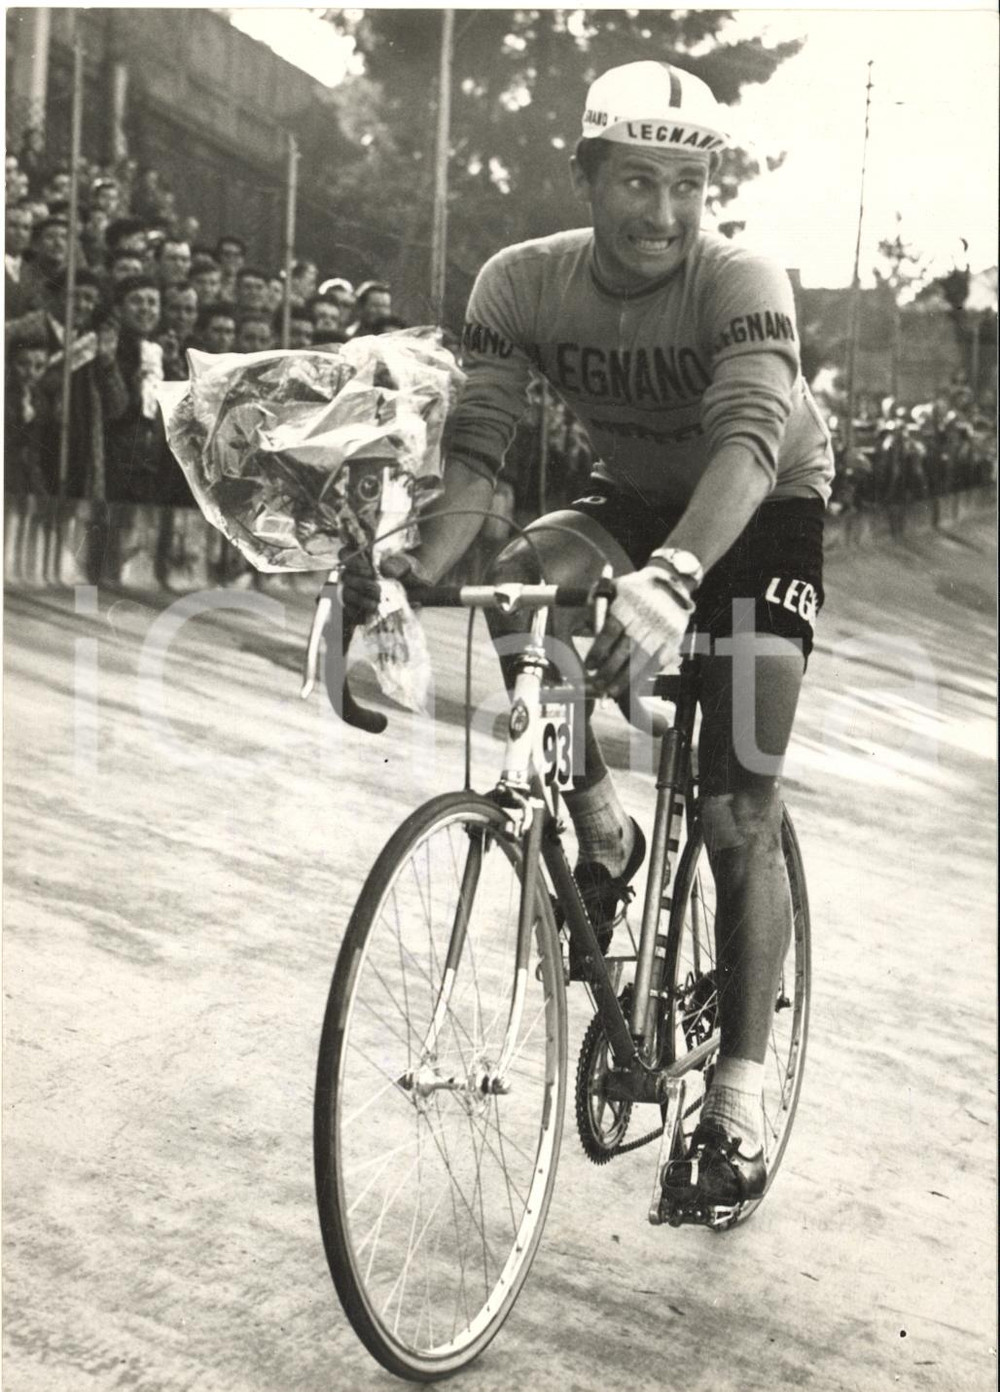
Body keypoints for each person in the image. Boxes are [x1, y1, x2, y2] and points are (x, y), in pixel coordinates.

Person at [343, 60, 833, 1213]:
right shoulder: (521, 283)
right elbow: (476, 463)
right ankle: (602, 830)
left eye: (687, 186)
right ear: (586, 176)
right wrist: (395, 577)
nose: (664, 213)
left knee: (737, 806)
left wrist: (674, 578)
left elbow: (747, 445)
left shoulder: (741, 281)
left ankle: (738, 1099)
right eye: (636, 183)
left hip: (762, 506)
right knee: (520, 583)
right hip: (637, 498)